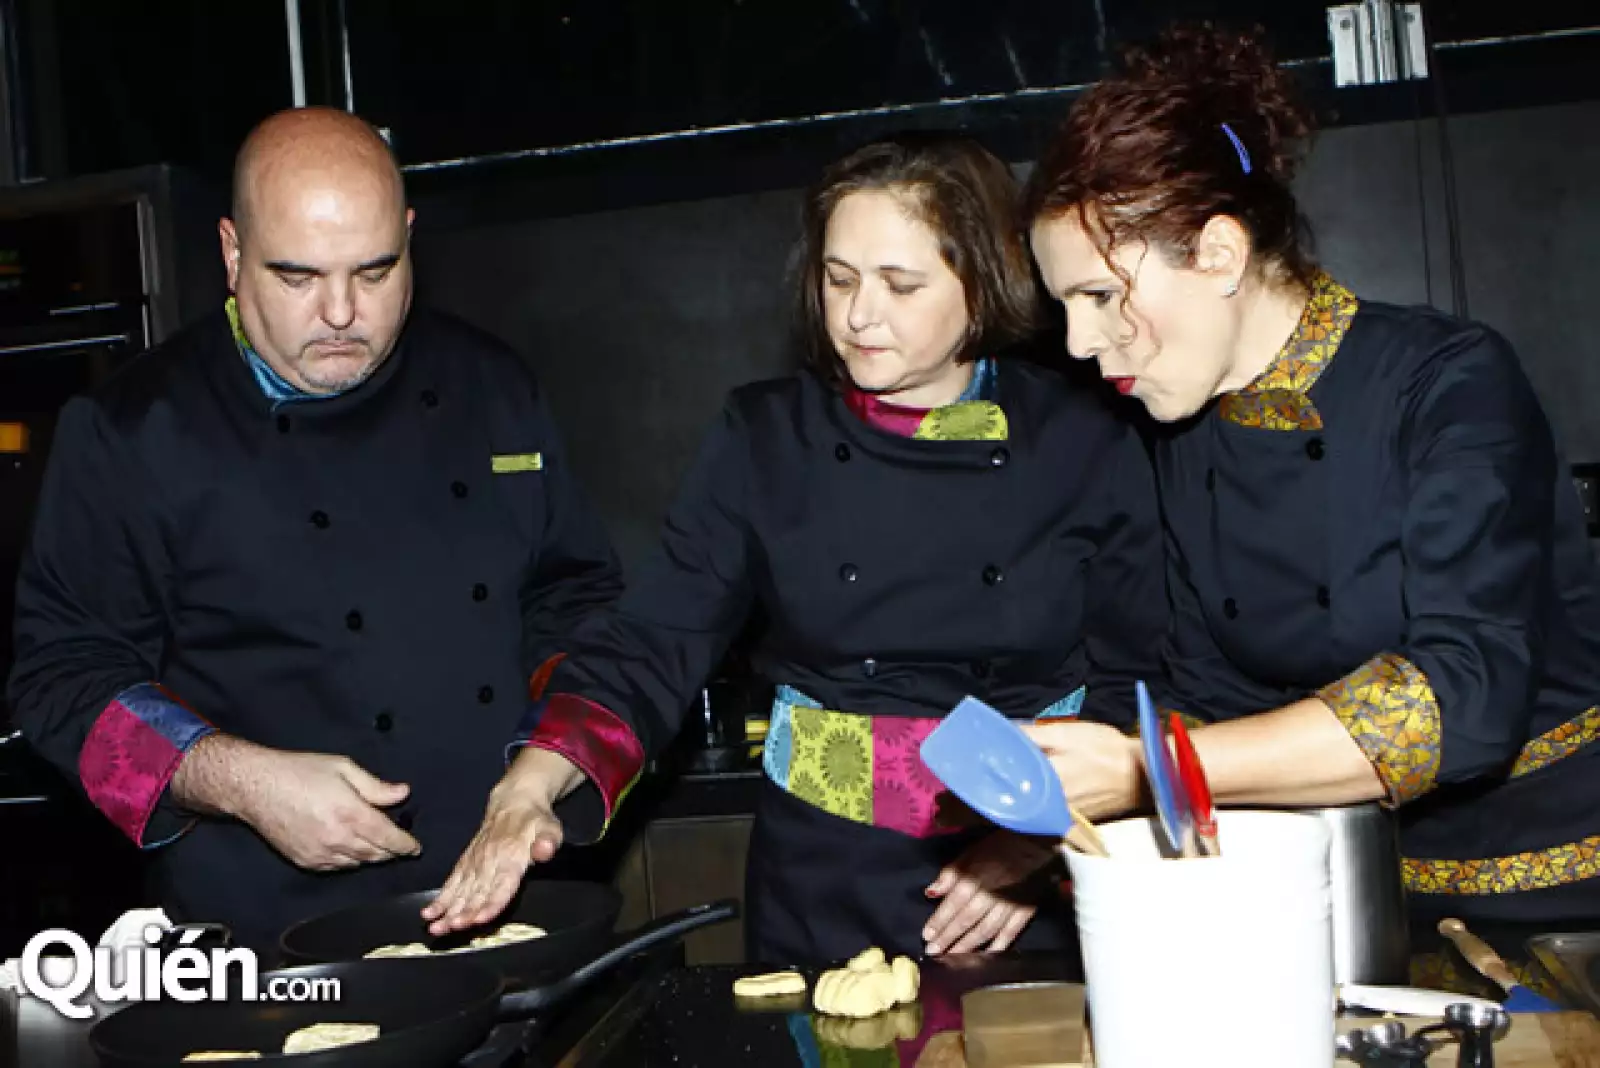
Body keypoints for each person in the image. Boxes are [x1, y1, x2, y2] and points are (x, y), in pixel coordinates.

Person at [421, 133, 1169, 963]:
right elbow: (657, 637)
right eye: (839, 278)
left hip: (1017, 885)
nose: (857, 314)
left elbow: (1142, 677)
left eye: (900, 284)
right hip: (821, 881)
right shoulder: (764, 438)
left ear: (983, 282)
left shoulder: (1084, 438)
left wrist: (1036, 843)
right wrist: (531, 784)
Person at [6, 107, 623, 951]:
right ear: (231, 255)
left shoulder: (492, 387)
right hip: (266, 944)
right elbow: (60, 681)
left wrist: (548, 769)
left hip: (504, 913)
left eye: (375, 272)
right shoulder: (132, 432)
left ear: (410, 239)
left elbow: (579, 599)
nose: (341, 313)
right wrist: (240, 781)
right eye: (298, 277)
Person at [1021, 25, 1600, 920]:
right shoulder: (1183, 427)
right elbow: (1205, 685)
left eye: (1098, 296)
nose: (1079, 342)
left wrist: (1149, 772)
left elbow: (1466, 694)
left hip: (1563, 886)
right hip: (1361, 888)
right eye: (1065, 306)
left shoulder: (1448, 380)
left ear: (1218, 253)